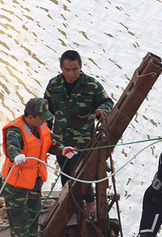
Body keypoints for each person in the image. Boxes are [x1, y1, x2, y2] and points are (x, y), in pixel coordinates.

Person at [2, 98, 78, 237]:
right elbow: (12, 145)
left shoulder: (41, 127)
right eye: (41, 118)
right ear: (30, 117)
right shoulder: (15, 129)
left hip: (35, 183)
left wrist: (62, 149)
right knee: (20, 226)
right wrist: (17, 155)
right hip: (17, 187)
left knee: (33, 222)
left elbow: (50, 144)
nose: (44, 121)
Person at [44, 50, 114, 215]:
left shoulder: (91, 85)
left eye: (75, 69)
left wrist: (101, 110)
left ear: (80, 67)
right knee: (65, 172)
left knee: (80, 174)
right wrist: (44, 135)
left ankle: (90, 202)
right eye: (67, 69)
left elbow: (107, 102)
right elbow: (47, 111)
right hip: (60, 140)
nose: (71, 73)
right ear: (61, 68)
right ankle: (70, 202)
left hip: (82, 141)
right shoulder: (54, 85)